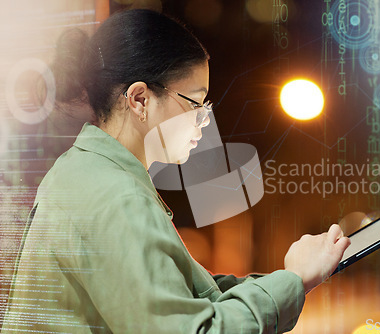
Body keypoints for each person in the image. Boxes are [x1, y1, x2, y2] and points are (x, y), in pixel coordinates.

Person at [1, 9, 350, 333]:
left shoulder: (87, 173)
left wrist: (291, 277)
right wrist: (294, 279)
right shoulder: (115, 198)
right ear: (139, 99)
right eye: (196, 103)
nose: (204, 121)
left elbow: (194, 296)